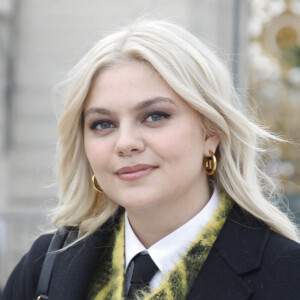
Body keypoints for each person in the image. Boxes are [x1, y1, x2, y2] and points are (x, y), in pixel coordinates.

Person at [2, 19, 300, 300]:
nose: (126, 143)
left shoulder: (288, 275)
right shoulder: (44, 268)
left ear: (211, 132)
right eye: (103, 124)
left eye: (155, 116)